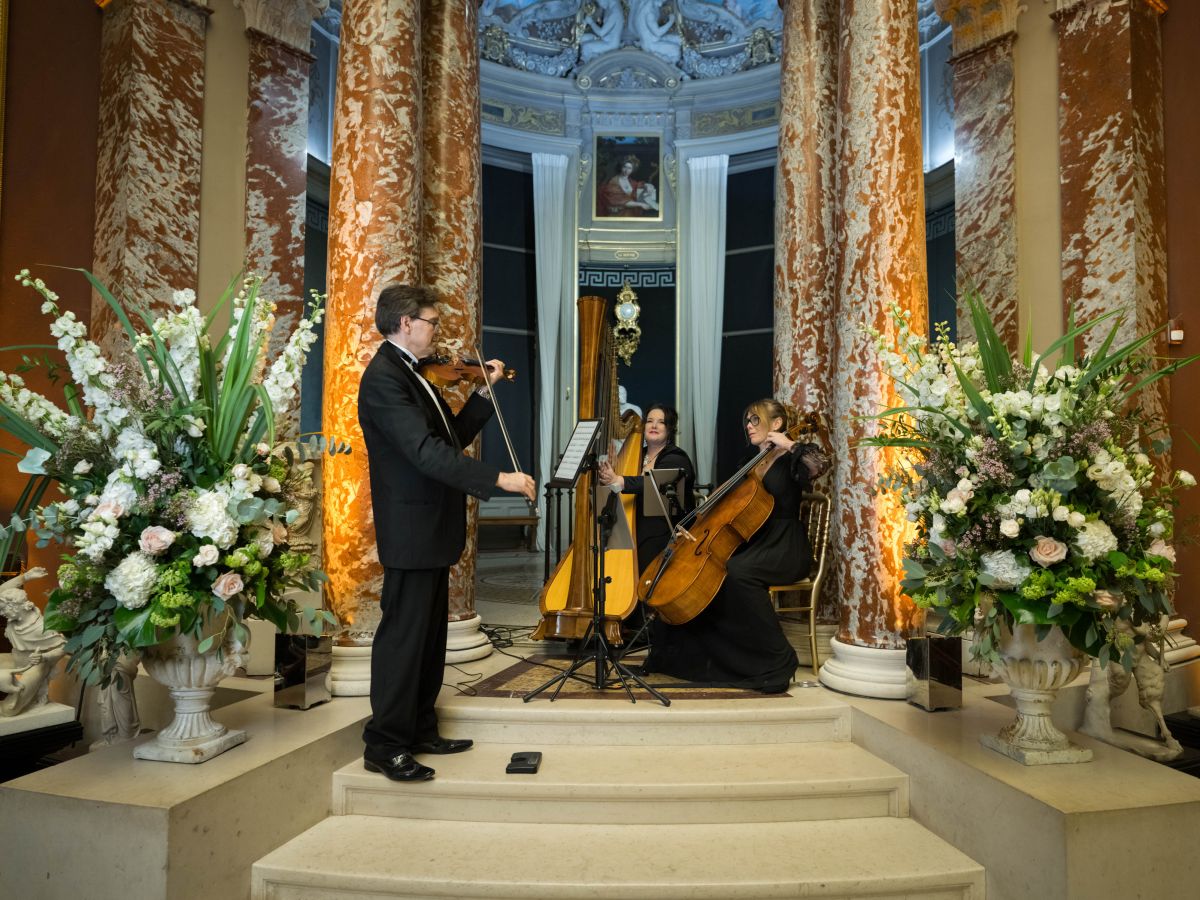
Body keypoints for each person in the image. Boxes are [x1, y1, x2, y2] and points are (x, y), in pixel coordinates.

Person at [358, 284, 536, 782]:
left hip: (431, 527)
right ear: (406, 323)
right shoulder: (385, 379)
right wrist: (498, 478)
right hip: (411, 527)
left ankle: (419, 728)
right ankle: (385, 743)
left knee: (430, 637)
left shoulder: (417, 376)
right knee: (404, 640)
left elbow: (448, 439)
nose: (438, 332)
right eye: (432, 322)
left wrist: (481, 395)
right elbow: (423, 454)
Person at [641, 399, 827, 693]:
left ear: (776, 424)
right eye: (747, 422)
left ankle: (778, 658)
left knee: (739, 573)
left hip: (784, 546)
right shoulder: (749, 464)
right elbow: (724, 506)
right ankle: (720, 658)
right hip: (755, 543)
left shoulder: (791, 460)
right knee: (718, 575)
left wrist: (789, 444)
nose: (749, 426)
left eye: (756, 420)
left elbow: (819, 467)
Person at [598, 403, 695, 574]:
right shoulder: (637, 454)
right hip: (638, 522)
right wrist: (609, 474)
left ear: (669, 428)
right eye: (649, 421)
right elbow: (621, 484)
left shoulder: (675, 457)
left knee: (646, 539)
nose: (654, 425)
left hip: (666, 527)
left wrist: (620, 480)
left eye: (661, 422)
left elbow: (653, 483)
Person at [0, 566, 68, 717]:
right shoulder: (14, 619)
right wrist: (25, 577)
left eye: (4, 609)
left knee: (9, 709)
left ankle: (30, 695)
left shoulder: (42, 627)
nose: (1, 613)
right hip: (16, 661)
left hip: (36, 666)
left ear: (16, 607)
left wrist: (44, 657)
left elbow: (65, 646)